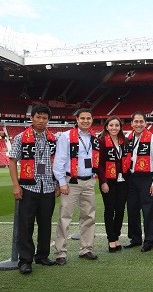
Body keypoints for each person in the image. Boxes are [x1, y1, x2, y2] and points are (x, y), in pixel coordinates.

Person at [8, 104, 58, 274]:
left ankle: (42, 256)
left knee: (45, 224)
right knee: (26, 225)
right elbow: (13, 161)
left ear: (48, 120)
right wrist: (16, 185)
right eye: (38, 117)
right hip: (29, 187)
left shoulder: (53, 139)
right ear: (32, 118)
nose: (41, 120)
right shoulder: (21, 137)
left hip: (48, 187)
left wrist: (58, 183)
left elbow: (58, 163)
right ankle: (25, 260)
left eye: (44, 118)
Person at [53, 108, 100, 265]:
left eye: (89, 118)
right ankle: (60, 252)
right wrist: (61, 182)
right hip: (70, 181)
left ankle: (86, 248)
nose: (86, 121)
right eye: (83, 118)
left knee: (88, 216)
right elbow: (59, 161)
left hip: (88, 181)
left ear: (92, 120)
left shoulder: (94, 137)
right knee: (65, 216)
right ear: (77, 119)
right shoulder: (66, 136)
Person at [124, 111, 153, 252]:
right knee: (132, 210)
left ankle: (149, 240)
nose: (138, 124)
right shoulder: (128, 138)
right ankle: (135, 238)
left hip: (146, 178)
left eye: (141, 122)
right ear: (132, 123)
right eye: (136, 122)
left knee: (148, 211)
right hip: (131, 178)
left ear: (145, 123)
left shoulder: (152, 139)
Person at [97, 116, 130, 253]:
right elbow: (99, 165)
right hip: (108, 181)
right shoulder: (102, 141)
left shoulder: (125, 141)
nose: (114, 128)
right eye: (111, 125)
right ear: (106, 127)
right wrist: (103, 182)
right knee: (109, 210)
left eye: (117, 125)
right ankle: (111, 240)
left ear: (120, 127)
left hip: (123, 181)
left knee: (121, 210)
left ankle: (116, 236)